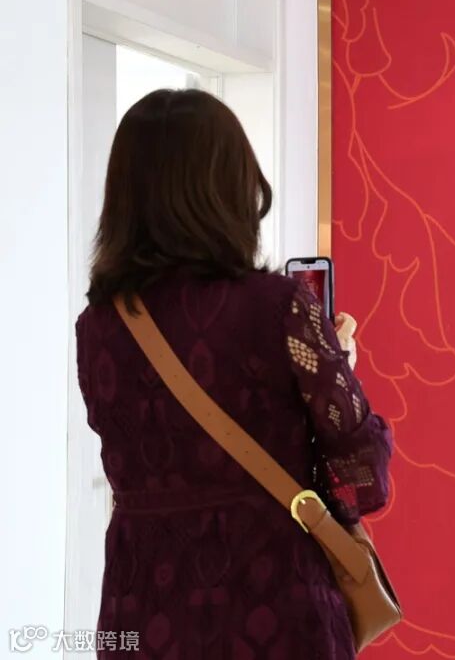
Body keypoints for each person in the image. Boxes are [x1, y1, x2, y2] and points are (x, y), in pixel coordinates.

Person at [76, 88, 392, 659]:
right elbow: (360, 474)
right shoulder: (278, 306)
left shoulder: (99, 326)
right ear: (229, 188)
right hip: (271, 599)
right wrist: (337, 365)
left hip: (142, 607)